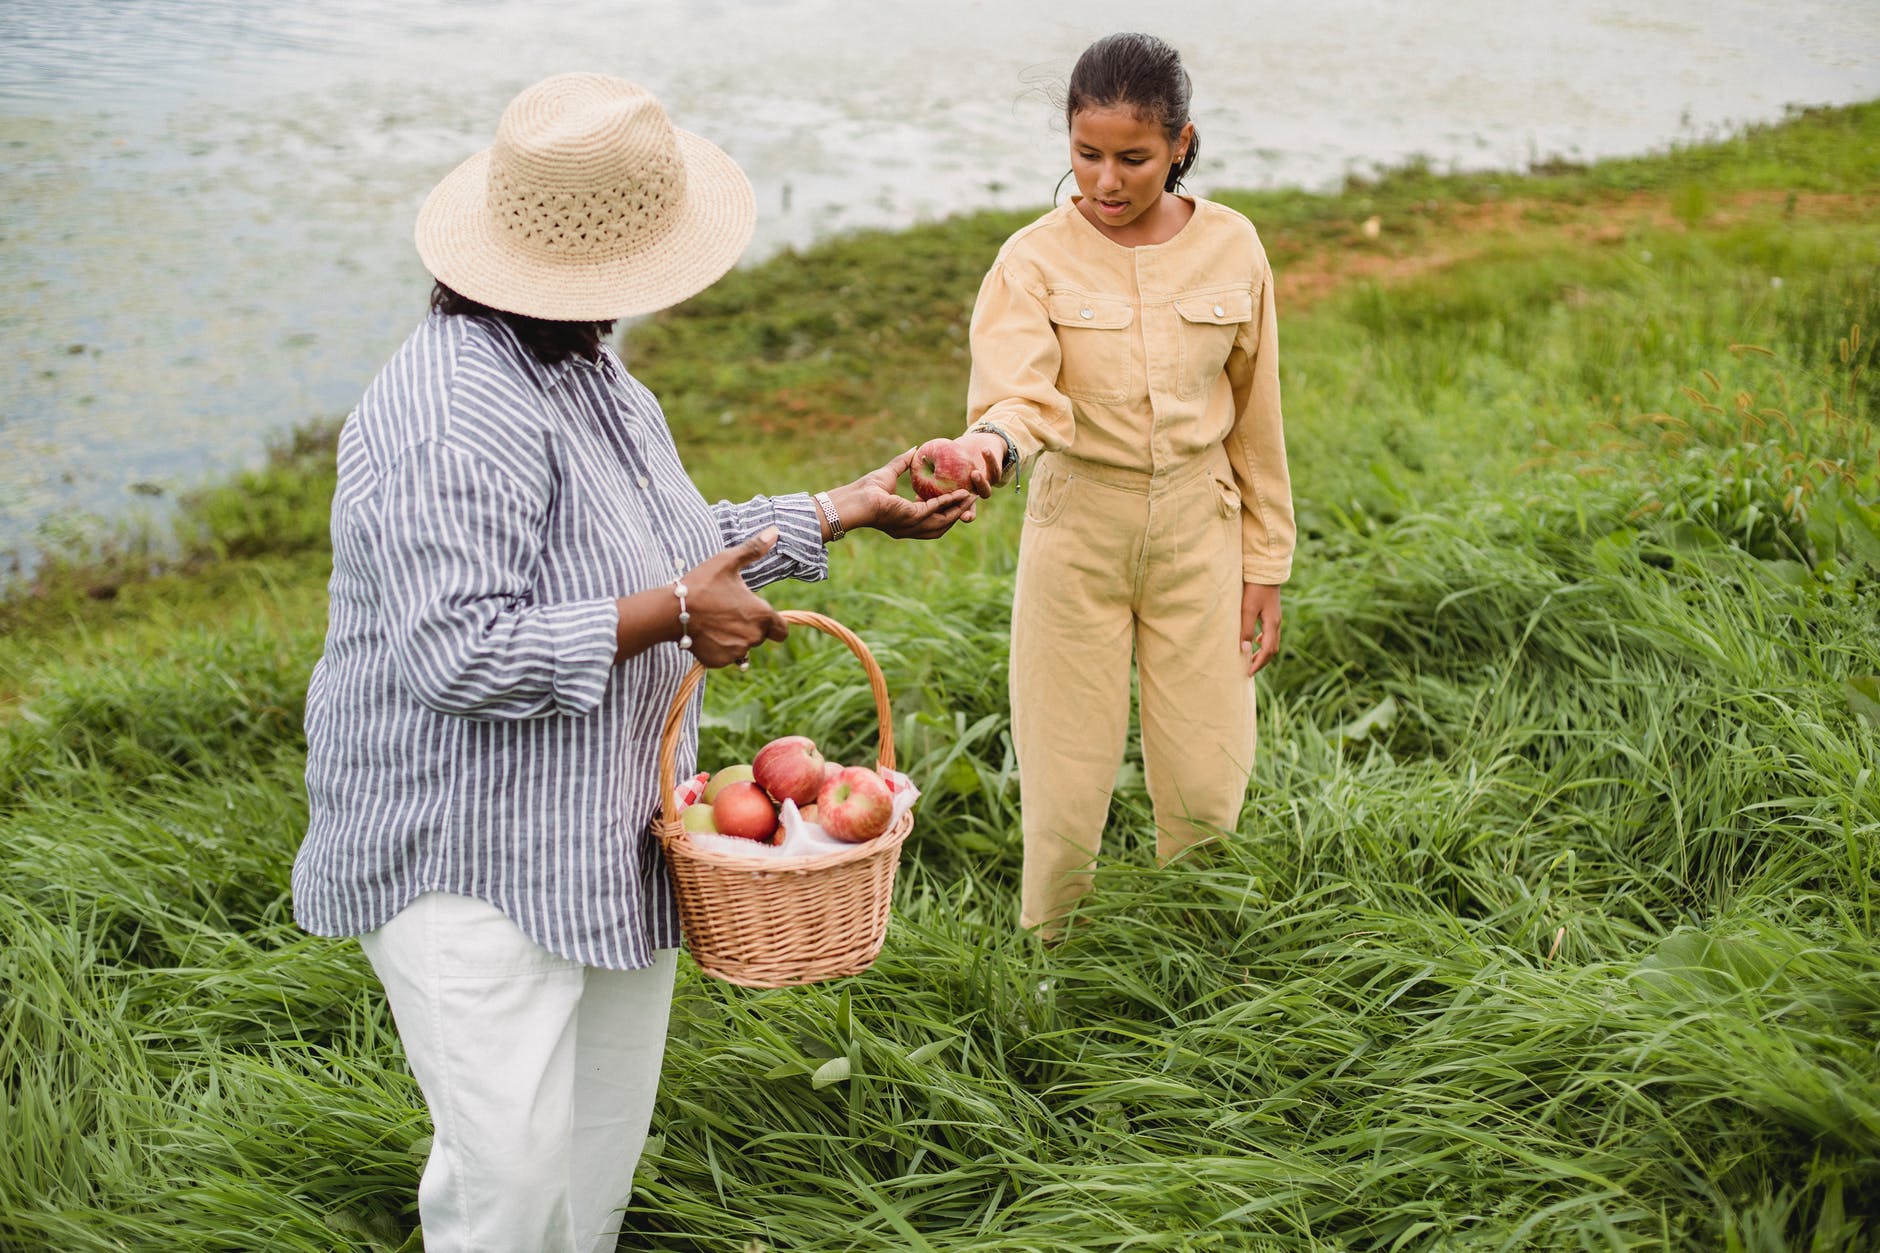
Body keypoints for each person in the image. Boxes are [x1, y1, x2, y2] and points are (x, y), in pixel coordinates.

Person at [289, 73, 972, 1253]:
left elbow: (661, 543)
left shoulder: (583, 368)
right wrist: (668, 615)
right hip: (473, 861)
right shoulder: (451, 409)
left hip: (601, 831)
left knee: (595, 1153)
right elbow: (457, 648)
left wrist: (840, 506)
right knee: (505, 1190)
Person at [940, 32, 1296, 936]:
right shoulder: (1030, 260)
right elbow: (1019, 397)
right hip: (1076, 533)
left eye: (1133, 158)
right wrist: (988, 448)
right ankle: (1050, 968)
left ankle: (1202, 960)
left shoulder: (1234, 245)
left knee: (1210, 785)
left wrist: (1268, 563)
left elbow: (1258, 416)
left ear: (1180, 143)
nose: (1105, 181)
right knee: (1063, 791)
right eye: (1086, 155)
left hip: (1201, 531)